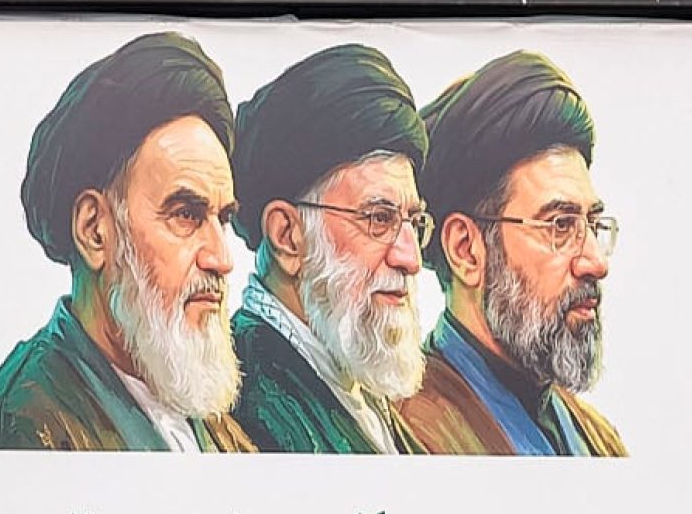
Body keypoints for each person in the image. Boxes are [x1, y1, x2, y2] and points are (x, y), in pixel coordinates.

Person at [0, 32, 255, 451]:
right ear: (95, 230)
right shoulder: (27, 424)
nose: (221, 258)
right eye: (185, 215)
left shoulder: (206, 415)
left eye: (223, 218)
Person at [396, 53, 625, 458]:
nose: (595, 262)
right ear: (466, 250)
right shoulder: (407, 436)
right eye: (560, 225)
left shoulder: (598, 439)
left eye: (592, 223)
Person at [226, 44, 432, 452]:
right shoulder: (246, 397)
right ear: (288, 236)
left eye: (414, 221)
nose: (411, 259)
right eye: (379, 219)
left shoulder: (355, 376)